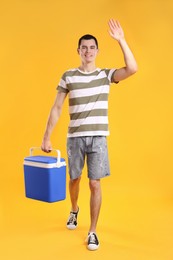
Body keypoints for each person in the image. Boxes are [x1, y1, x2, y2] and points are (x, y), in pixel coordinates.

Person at [41, 19, 137, 251]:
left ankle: (92, 231)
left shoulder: (105, 75)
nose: (88, 51)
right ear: (78, 51)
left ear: (97, 51)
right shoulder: (68, 76)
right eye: (84, 47)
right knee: (74, 179)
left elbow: (132, 69)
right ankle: (74, 210)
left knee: (95, 183)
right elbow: (56, 108)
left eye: (92, 47)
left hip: (98, 138)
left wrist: (121, 40)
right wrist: (46, 136)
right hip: (74, 138)